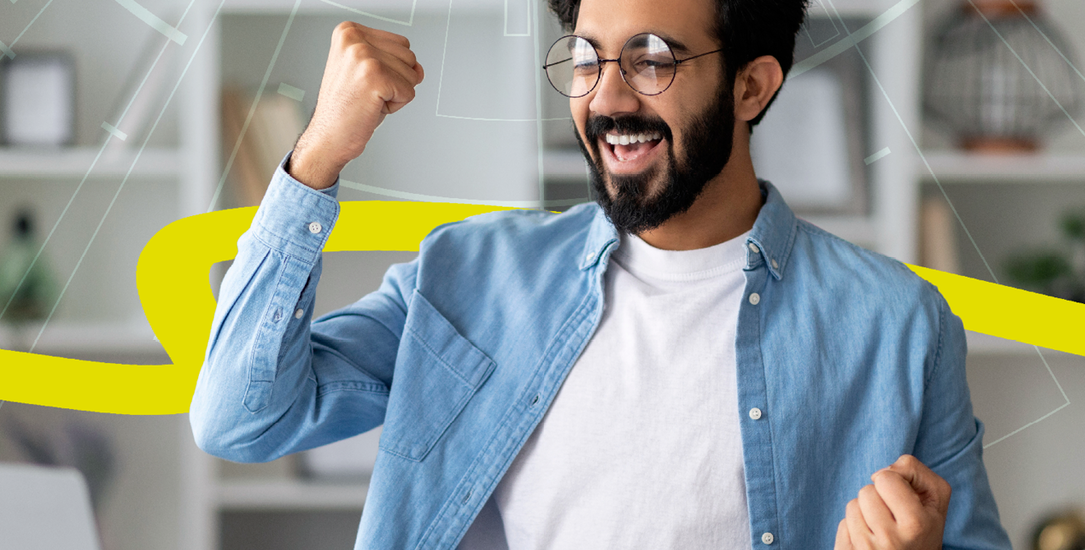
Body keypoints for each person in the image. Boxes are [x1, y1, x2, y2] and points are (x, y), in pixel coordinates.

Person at [189, 0, 1011, 547]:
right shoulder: (470, 275)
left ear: (752, 87)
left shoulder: (898, 324)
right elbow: (240, 419)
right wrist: (318, 156)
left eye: (652, 60)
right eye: (587, 59)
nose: (608, 97)